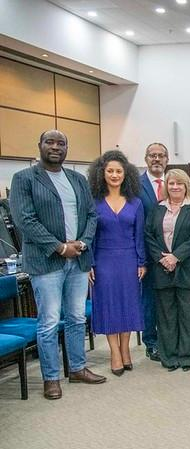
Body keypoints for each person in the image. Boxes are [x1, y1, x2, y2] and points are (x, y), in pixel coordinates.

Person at [10, 130, 106, 399]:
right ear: (39, 145)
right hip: (46, 262)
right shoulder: (24, 178)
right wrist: (60, 247)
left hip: (79, 259)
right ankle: (51, 377)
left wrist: (83, 243)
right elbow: (24, 220)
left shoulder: (77, 179)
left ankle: (77, 368)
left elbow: (91, 215)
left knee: (76, 317)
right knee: (50, 321)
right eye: (50, 142)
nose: (55, 147)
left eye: (61, 143)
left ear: (67, 148)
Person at [87, 150, 145, 376]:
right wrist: (89, 263)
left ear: (126, 174)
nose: (114, 175)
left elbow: (139, 236)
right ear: (102, 173)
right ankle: (114, 352)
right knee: (109, 305)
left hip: (129, 260)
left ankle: (125, 349)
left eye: (118, 171)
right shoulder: (94, 203)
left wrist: (142, 262)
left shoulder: (136, 203)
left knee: (128, 304)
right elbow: (90, 236)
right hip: (103, 260)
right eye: (110, 171)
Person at [144, 169, 190, 371]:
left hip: (187, 268)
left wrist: (176, 256)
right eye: (171, 183)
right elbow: (148, 235)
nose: (175, 187)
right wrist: (162, 257)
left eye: (179, 183)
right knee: (167, 316)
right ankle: (170, 356)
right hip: (162, 268)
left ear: (186, 185)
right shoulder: (157, 208)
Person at [137, 142, 170, 362]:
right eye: (152, 155)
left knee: (171, 300)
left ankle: (171, 339)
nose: (156, 159)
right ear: (146, 159)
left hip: (174, 254)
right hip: (148, 253)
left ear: (167, 159)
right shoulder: (135, 185)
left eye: (161, 155)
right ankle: (151, 342)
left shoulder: (175, 182)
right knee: (149, 300)